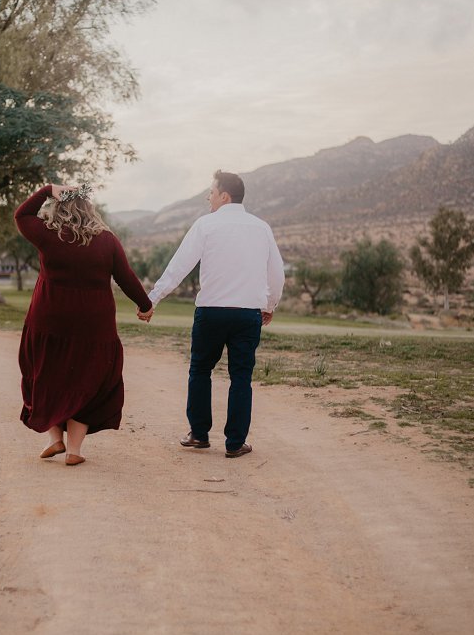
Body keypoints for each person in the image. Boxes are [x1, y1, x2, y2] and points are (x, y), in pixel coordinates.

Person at [138, 170, 284, 458]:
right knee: (241, 377)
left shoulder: (206, 225)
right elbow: (276, 273)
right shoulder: (261, 227)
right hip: (247, 315)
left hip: (211, 312)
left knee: (200, 370)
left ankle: (199, 434)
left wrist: (152, 298)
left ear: (224, 196)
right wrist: (269, 305)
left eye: (212, 191)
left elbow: (179, 266)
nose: (209, 196)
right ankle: (234, 444)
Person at [14, 183, 153, 466]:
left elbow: (21, 215)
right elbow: (125, 277)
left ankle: (55, 440)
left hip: (49, 319)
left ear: (58, 208)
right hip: (94, 325)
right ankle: (74, 449)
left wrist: (47, 189)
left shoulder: (49, 235)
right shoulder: (107, 240)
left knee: (45, 373)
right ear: (90, 209)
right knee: (87, 379)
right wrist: (145, 304)